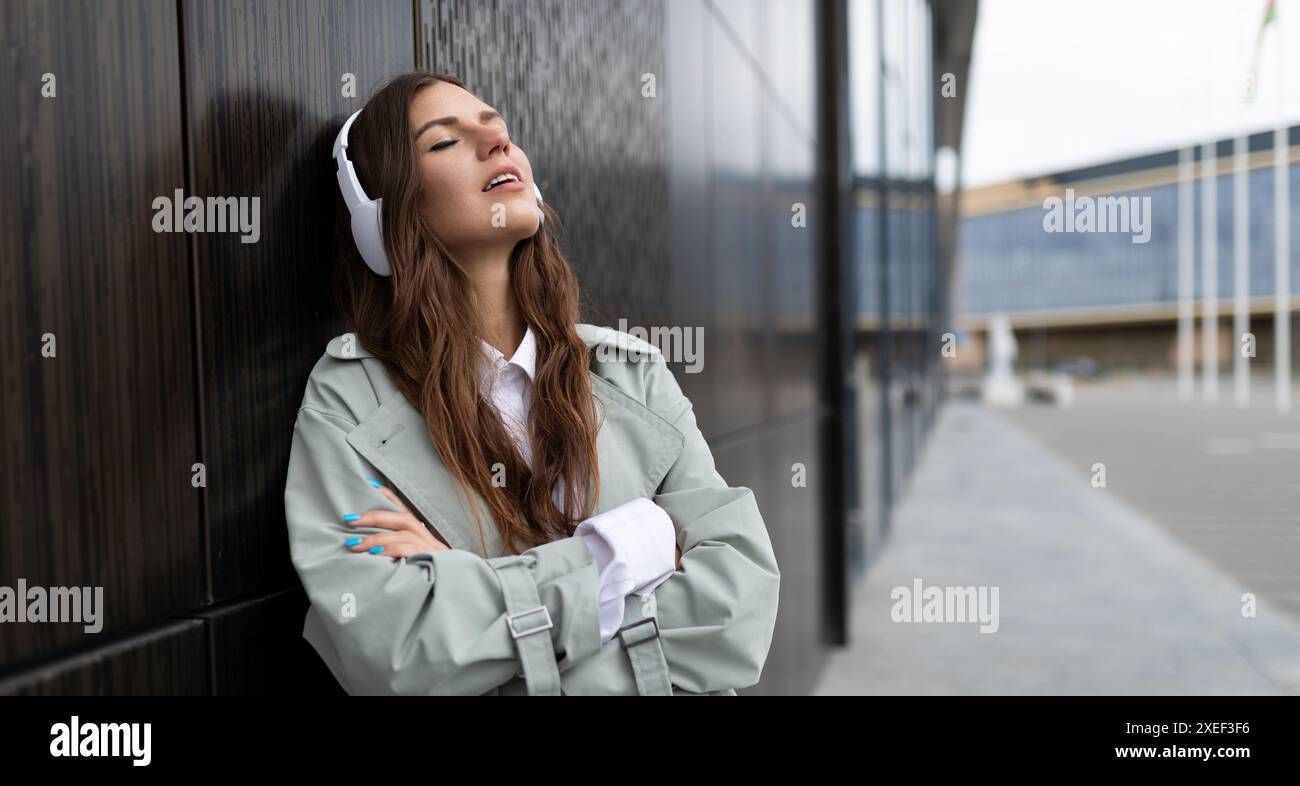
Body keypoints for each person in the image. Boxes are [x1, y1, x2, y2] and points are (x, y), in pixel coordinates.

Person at [283, 70, 780, 695]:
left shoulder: (631, 372)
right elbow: (398, 650)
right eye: (444, 143)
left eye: (501, 131)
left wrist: (480, 596)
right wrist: (625, 549)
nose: (497, 146)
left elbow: (739, 610)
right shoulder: (350, 403)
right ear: (382, 220)